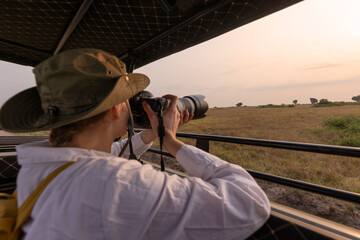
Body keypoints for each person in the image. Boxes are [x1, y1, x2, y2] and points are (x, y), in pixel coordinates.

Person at [0, 49, 270, 240]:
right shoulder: (117, 182)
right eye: (127, 100)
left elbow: (111, 153)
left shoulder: (44, 164)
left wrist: (152, 135)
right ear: (116, 109)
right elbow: (249, 203)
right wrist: (172, 143)